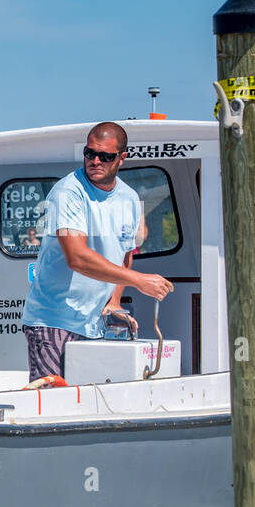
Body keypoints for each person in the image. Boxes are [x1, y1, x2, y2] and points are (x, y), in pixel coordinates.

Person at [21, 121, 173, 382]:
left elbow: (125, 253)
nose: (96, 161)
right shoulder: (68, 192)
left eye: (106, 156)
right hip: (53, 320)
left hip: (93, 323)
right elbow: (77, 258)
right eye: (90, 153)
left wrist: (114, 302)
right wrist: (139, 281)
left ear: (122, 158)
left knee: (87, 400)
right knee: (52, 402)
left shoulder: (129, 198)